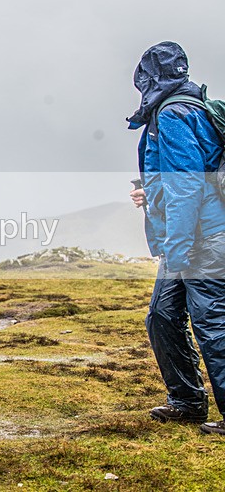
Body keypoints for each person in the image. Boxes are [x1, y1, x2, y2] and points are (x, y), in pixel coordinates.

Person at [127, 41, 225, 435]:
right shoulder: (190, 107)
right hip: (193, 236)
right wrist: (150, 194)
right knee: (162, 316)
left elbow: (187, 186)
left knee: (213, 324)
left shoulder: (172, 114)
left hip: (202, 238)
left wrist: (179, 249)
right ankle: (187, 402)